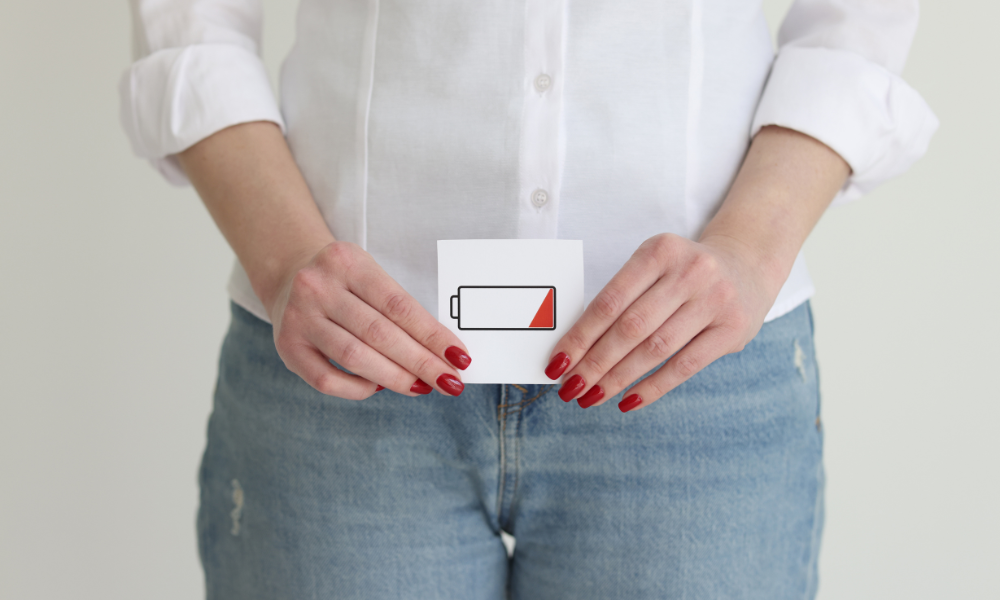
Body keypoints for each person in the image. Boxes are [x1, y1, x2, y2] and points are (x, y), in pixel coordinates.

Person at [120, 0, 937, 597]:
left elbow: (857, 20)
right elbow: (193, 21)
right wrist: (285, 255)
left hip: (689, 370)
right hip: (345, 365)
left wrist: (752, 248)